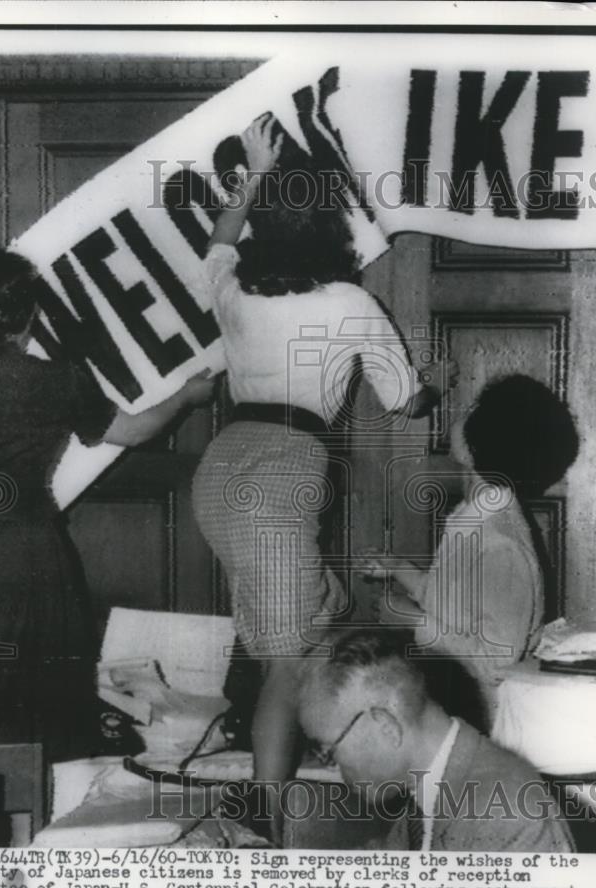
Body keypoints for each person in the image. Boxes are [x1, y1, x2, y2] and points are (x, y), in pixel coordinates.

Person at [191, 114, 456, 838]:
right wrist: (436, 377)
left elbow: (217, 243)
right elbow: (405, 401)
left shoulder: (234, 289)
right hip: (281, 473)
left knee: (306, 623)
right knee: (289, 661)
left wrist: (250, 173)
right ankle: (273, 825)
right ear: (329, 225)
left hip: (221, 471)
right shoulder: (352, 303)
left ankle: (261, 776)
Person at [0, 249, 214, 760]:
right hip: (21, 550)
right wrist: (187, 395)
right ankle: (25, 803)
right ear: (25, 316)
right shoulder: (61, 380)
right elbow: (137, 429)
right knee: (31, 688)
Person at [365, 374, 579, 732]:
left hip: (484, 722)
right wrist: (400, 568)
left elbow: (496, 659)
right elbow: (457, 606)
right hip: (457, 706)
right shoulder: (476, 517)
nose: (462, 412)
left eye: (473, 408)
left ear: (485, 440)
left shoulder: (500, 542)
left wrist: (415, 622)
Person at [298, 628, 576, 852]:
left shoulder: (505, 816)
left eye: (329, 752)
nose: (334, 768)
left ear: (386, 726)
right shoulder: (431, 783)